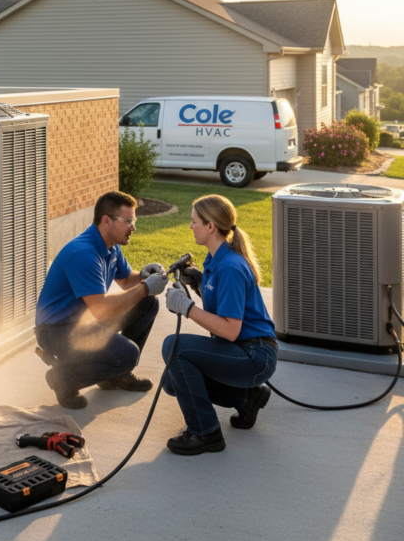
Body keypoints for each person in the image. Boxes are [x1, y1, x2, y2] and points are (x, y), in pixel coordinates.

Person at [161, 194, 278, 456]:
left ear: (210, 226)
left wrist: (186, 307)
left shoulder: (230, 267)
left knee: (174, 347)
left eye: (194, 222)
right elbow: (224, 307)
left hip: (254, 356)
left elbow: (229, 329)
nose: (191, 226)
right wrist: (200, 283)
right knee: (172, 380)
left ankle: (206, 432)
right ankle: (248, 399)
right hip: (240, 349)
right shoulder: (215, 261)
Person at [35, 191, 168, 409]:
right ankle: (64, 379)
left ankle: (114, 376)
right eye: (127, 221)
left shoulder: (110, 245)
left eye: (133, 220)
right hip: (55, 331)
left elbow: (126, 280)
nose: (133, 227)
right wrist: (145, 288)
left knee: (148, 303)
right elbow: (102, 310)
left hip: (82, 321)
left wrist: (143, 275)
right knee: (128, 354)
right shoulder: (84, 254)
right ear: (106, 221)